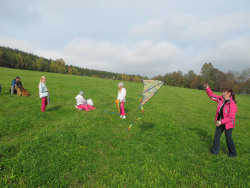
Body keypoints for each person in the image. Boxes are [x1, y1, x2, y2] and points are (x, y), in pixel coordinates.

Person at [203, 82, 237, 157]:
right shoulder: (221, 99)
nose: (223, 93)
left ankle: (233, 154)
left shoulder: (232, 104)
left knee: (228, 139)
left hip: (228, 124)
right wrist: (207, 87)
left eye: (224, 92)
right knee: (216, 137)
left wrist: (221, 121)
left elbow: (231, 117)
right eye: (223, 91)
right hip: (220, 122)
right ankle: (214, 153)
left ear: (229, 93)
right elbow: (212, 96)